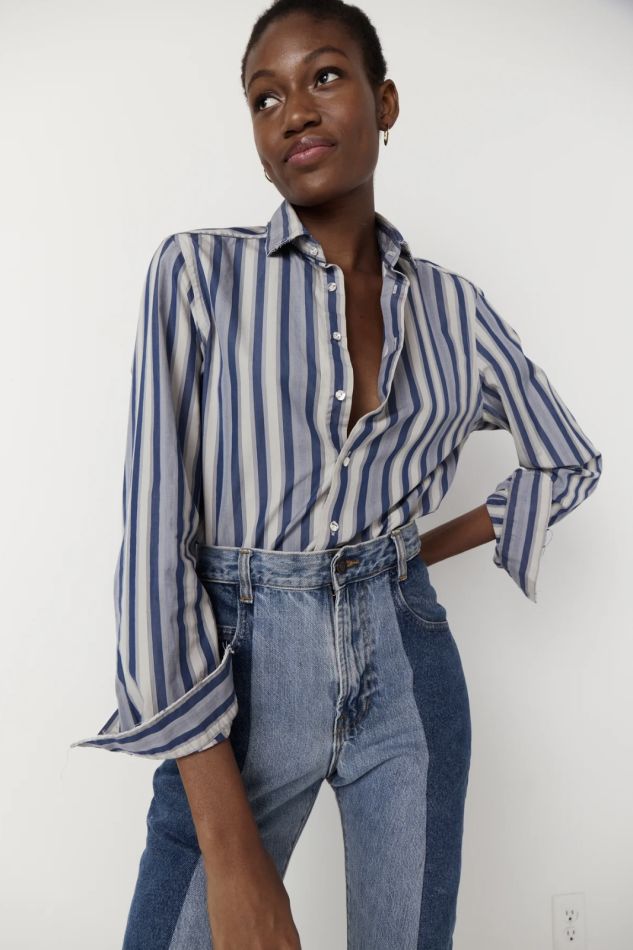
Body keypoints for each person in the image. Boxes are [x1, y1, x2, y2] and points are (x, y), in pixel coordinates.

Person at [70, 1, 603, 947]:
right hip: (239, 674)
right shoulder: (199, 276)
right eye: (264, 97)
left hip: (408, 667)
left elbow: (566, 459)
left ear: (383, 101)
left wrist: (414, 553)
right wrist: (231, 855)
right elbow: (155, 553)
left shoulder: (454, 309)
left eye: (323, 77)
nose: (295, 112)